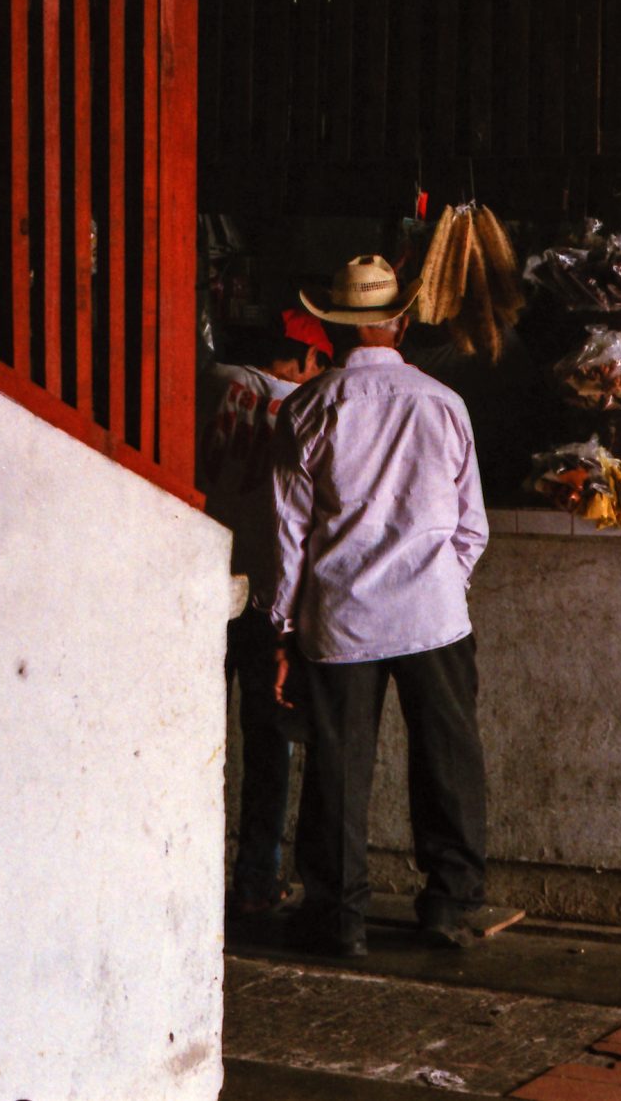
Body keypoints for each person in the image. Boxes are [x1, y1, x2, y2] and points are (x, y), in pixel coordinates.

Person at [268, 255, 491, 957]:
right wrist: (439, 583)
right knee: (448, 760)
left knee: (338, 768)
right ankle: (447, 908)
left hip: (343, 617)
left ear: (334, 328)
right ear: (398, 321)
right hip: (434, 615)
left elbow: (289, 537)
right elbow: (471, 526)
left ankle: (339, 918)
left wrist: (282, 626)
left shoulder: (306, 408)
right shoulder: (444, 404)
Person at [201, 308, 335, 919]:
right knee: (267, 744)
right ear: (307, 360)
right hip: (268, 600)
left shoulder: (215, 379)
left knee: (195, 738)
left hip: (200, 585)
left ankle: (189, 873)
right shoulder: (310, 409)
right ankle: (256, 880)